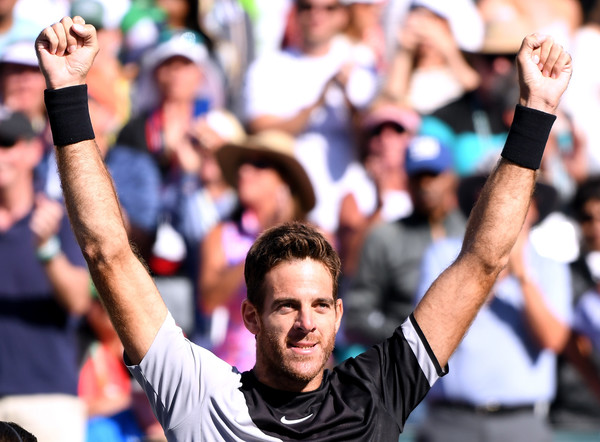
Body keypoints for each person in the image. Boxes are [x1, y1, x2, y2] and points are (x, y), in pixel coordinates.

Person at [35, 16, 572, 440]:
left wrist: (536, 112)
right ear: (250, 315)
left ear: (339, 314)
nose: (305, 324)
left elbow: (482, 262)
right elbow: (109, 254)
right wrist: (66, 94)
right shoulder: (200, 394)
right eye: (286, 305)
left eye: (319, 305)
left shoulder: (377, 391)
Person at [414, 175, 572, 442]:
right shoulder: (443, 255)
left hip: (522, 424)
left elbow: (554, 340)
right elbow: (431, 333)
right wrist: (491, 264)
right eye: (490, 194)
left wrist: (523, 275)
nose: (503, 203)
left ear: (533, 208)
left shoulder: (551, 267)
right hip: (451, 421)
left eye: (517, 194)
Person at [0, 107, 90, 441]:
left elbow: (79, 301)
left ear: (32, 150)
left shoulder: (57, 219)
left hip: (46, 396)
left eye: (6, 143)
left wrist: (47, 249)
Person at [198, 129, 316, 371]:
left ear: (285, 181)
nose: (244, 171)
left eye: (259, 164)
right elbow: (209, 300)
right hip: (234, 373)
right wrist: (265, 244)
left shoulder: (314, 241)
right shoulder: (221, 234)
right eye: (243, 163)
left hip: (292, 371)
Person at [343, 134, 465, 347]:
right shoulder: (385, 237)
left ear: (451, 177)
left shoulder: (469, 233)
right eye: (418, 176)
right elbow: (357, 315)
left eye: (433, 175)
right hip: (406, 366)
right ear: (406, 181)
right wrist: (410, 341)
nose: (425, 185)